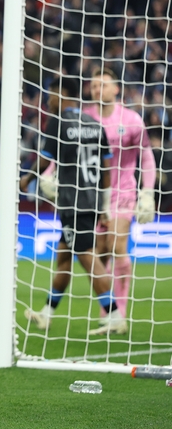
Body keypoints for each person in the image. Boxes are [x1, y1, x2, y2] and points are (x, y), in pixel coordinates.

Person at [21, 76, 126, 336]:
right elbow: (105, 171)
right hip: (90, 201)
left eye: (51, 95)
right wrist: (103, 208)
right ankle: (46, 313)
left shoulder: (58, 123)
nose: (49, 100)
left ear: (62, 95)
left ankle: (114, 315)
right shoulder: (95, 124)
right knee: (64, 256)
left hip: (72, 203)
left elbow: (45, 162)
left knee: (87, 258)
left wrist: (26, 179)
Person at [85, 67, 156, 319]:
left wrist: (147, 192)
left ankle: (121, 311)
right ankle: (109, 309)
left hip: (123, 192)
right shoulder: (84, 118)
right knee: (100, 252)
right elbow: (66, 150)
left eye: (103, 84)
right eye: (94, 85)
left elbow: (146, 157)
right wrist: (49, 173)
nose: (97, 89)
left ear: (116, 89)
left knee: (117, 244)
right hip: (92, 195)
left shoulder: (132, 120)